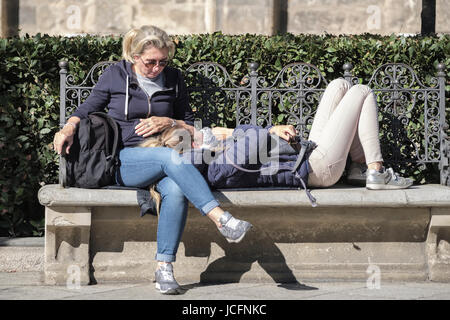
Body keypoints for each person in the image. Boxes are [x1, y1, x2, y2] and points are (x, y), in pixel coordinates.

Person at [52, 25, 252, 295]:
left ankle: (164, 269)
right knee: (168, 157)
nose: (157, 68)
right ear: (135, 57)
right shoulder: (115, 75)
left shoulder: (174, 78)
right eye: (150, 62)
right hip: (123, 159)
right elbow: (86, 109)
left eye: (162, 61)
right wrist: (67, 129)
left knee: (177, 190)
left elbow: (190, 124)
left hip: (168, 157)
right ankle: (221, 219)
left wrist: (169, 121)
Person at [140, 78, 413, 194]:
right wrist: (266, 130)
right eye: (192, 132)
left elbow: (249, 139)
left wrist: (224, 135)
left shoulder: (210, 153)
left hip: (307, 154)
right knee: (361, 91)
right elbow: (253, 142)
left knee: (339, 85)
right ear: (190, 145)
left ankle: (358, 169)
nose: (199, 130)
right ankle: (375, 170)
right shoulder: (214, 165)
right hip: (316, 169)